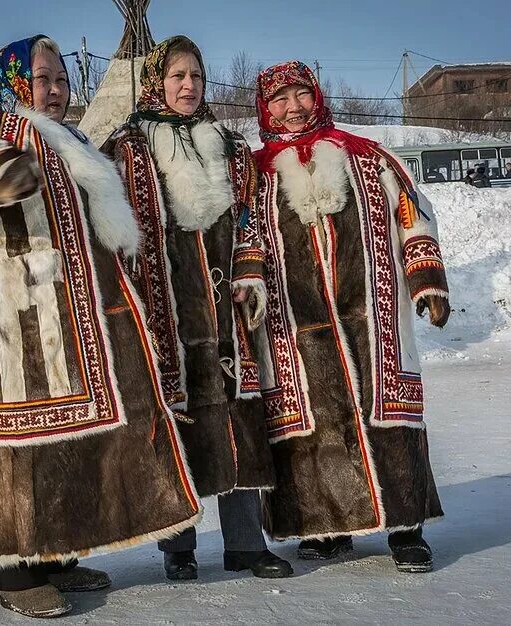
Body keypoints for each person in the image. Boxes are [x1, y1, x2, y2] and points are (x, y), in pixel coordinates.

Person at [0, 35, 202, 619]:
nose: (56, 90)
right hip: (4, 316)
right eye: (43, 79)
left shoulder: (72, 140)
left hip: (67, 319)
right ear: (15, 80)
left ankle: (57, 554)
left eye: (62, 79)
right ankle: (14, 570)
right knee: (13, 442)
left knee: (66, 439)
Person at [103, 35, 291, 582]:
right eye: (178, 76)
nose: (189, 87)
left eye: (198, 77)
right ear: (157, 81)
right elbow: (115, 234)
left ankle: (245, 544)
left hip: (227, 310)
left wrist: (251, 268)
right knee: (177, 425)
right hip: (166, 313)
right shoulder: (128, 148)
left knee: (238, 415)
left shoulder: (229, 147)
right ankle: (178, 549)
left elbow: (254, 215)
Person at [252, 61, 450, 573]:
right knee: (314, 427)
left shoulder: (365, 157)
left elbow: (412, 211)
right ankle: (326, 528)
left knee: (388, 416)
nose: (292, 108)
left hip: (374, 317)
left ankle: (407, 529)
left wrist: (425, 277)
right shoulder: (252, 175)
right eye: (280, 100)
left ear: (316, 97)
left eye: (301, 96)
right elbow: (242, 242)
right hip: (294, 327)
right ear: (265, 109)